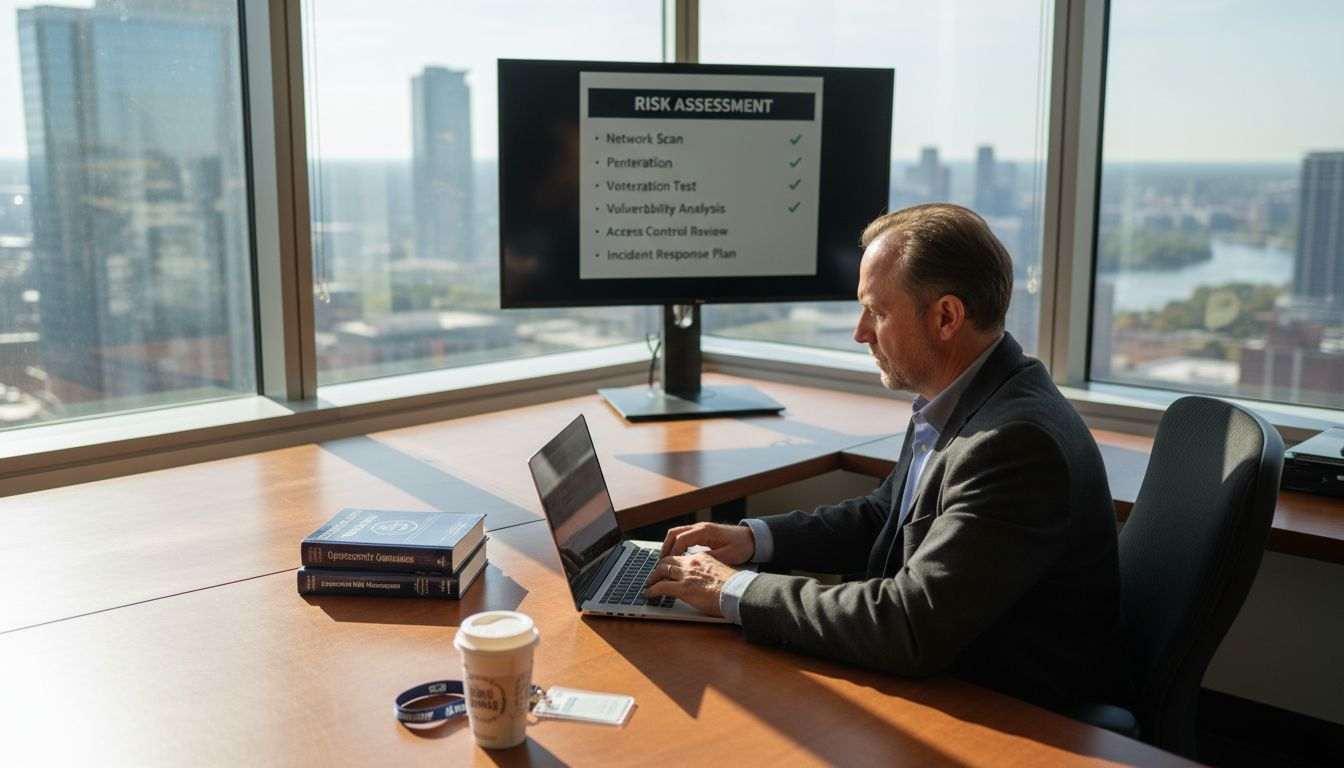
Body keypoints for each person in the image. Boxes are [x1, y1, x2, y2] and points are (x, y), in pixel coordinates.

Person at [644, 203, 1132, 711]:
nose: (860, 332)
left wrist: (736, 590)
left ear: (946, 316)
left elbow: (908, 626)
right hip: (944, 665)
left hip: (1009, 706)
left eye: (876, 312)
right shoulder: (961, 395)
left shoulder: (1013, 444)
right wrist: (751, 541)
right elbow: (886, 517)